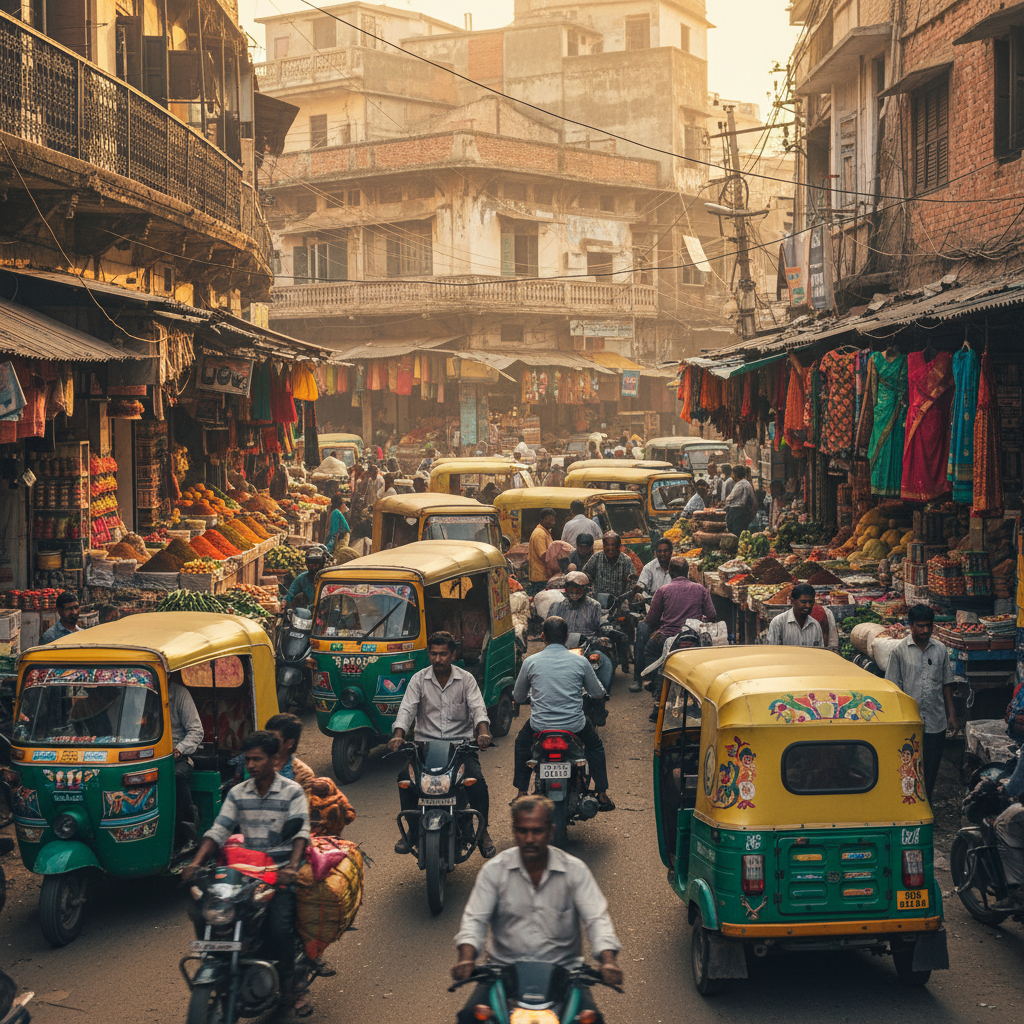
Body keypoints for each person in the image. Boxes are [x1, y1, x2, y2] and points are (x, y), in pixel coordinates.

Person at [451, 795, 623, 1024]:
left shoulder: (575, 871)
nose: (529, 839)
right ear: (514, 831)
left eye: (537, 831)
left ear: (551, 831)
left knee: (592, 1020)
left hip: (566, 976)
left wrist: (608, 960)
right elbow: (475, 920)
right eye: (522, 831)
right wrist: (466, 957)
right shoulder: (494, 871)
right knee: (469, 1018)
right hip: (502, 974)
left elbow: (597, 919)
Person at [184, 731, 310, 1012]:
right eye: (248, 759)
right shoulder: (237, 793)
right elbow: (219, 830)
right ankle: (219, 964)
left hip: (277, 875)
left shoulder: (293, 791)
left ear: (274, 759)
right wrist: (196, 862)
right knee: (206, 913)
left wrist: (291, 867)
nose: (251, 765)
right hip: (244, 874)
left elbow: (301, 834)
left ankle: (292, 987)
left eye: (257, 759)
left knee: (279, 929)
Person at [388, 631, 496, 858]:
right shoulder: (419, 679)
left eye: (443, 654)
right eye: (434, 654)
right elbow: (406, 709)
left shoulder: (466, 679)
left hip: (460, 747)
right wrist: (398, 735)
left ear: (453, 655)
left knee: (477, 782)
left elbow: (478, 709)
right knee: (404, 780)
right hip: (425, 749)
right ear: (428, 653)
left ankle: (483, 831)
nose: (438, 659)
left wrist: (483, 733)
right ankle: (412, 828)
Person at [512, 617, 614, 809]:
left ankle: (521, 792)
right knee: (595, 746)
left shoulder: (530, 662)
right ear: (567, 637)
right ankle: (601, 793)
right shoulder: (581, 662)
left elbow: (518, 696)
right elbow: (597, 692)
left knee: (521, 745)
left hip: (540, 725)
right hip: (574, 725)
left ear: (543, 637)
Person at [885, 603, 957, 801]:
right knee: (910, 766)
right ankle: (910, 803)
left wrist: (951, 714)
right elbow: (893, 688)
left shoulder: (940, 650)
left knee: (932, 767)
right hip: (910, 722)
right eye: (921, 626)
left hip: (935, 720)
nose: (926, 630)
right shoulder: (899, 651)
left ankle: (927, 803)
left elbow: (946, 684)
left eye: (929, 626)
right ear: (911, 625)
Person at [547, 572, 614, 691]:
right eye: (571, 587)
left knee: (604, 664)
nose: (575, 591)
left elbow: (602, 625)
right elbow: (549, 627)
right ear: (566, 589)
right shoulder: (556, 607)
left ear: (585, 589)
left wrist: (604, 635)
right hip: (562, 648)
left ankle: (602, 695)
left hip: (588, 647)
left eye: (579, 588)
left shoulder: (595, 606)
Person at [581, 532, 635, 671]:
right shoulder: (596, 558)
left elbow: (632, 582)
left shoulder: (626, 560)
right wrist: (587, 584)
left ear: (618, 546)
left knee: (626, 624)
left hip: (619, 602)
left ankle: (626, 657)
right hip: (598, 603)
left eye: (613, 545)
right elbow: (586, 574)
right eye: (607, 545)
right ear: (603, 546)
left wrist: (629, 593)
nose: (610, 548)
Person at [632, 539, 675, 692]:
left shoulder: (677, 567)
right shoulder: (649, 567)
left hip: (673, 615)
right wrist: (639, 592)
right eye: (660, 551)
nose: (662, 554)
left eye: (665, 551)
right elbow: (641, 585)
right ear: (655, 552)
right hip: (653, 612)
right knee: (642, 631)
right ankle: (637, 677)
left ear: (671, 552)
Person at [168, 671, 204, 847]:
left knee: (176, 776)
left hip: (179, 756)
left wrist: (179, 749)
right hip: (145, 756)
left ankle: (188, 828)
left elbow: (196, 731)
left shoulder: (179, 694)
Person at [764, 583, 824, 648]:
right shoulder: (778, 623)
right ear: (792, 601)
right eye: (803, 602)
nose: (808, 606)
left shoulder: (815, 625)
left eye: (810, 602)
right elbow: (774, 651)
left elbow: (819, 653)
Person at [283, 546, 328, 610]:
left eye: (316, 563)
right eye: (310, 563)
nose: (313, 566)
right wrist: (285, 602)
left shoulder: (329, 578)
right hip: (307, 614)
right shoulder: (302, 578)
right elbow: (291, 593)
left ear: (322, 564)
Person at [528, 507, 556, 595]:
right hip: (540, 577)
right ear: (542, 519)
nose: (552, 522)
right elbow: (544, 555)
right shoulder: (540, 533)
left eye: (553, 519)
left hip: (543, 576)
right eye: (549, 519)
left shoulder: (545, 532)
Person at [724, 465, 757, 538]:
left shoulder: (740, 484)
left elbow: (730, 498)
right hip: (743, 512)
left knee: (735, 534)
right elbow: (753, 499)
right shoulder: (746, 483)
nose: (732, 476)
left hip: (737, 513)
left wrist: (724, 503)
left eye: (732, 473)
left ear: (735, 474)